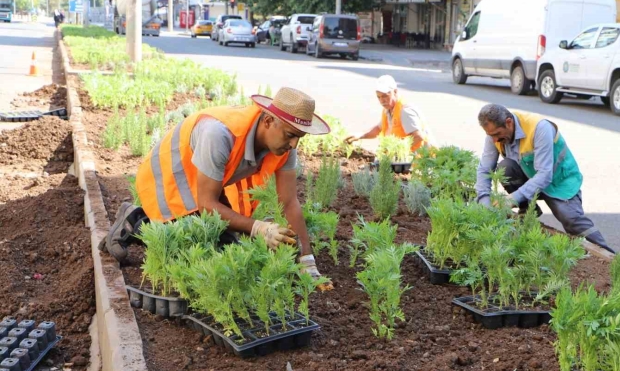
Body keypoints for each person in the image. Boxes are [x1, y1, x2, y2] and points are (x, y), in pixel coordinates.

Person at [99, 87, 334, 289]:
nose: (294, 144)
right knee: (185, 248)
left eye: (299, 138)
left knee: (225, 250)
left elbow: (289, 202)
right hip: (170, 175)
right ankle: (136, 220)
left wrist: (307, 262)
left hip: (209, 181)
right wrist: (259, 228)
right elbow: (207, 204)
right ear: (268, 121)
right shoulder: (218, 134)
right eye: (291, 135)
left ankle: (155, 222)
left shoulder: (285, 146)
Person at [474, 104, 612, 252]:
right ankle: (527, 210)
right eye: (491, 136)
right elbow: (485, 168)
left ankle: (610, 256)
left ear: (509, 122)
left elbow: (545, 176)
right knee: (506, 168)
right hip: (529, 179)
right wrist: (484, 201)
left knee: (571, 221)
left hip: (558, 182)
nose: (494, 140)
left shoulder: (539, 128)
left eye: (497, 134)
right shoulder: (494, 135)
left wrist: (512, 198)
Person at [344, 75, 431, 152]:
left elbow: (418, 137)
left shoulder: (405, 110)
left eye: (385, 96)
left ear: (395, 92)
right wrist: (360, 135)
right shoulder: (388, 109)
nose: (382, 101)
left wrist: (396, 150)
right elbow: (378, 128)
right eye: (379, 97)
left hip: (418, 162)